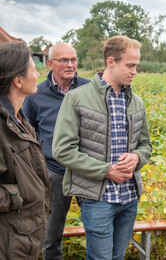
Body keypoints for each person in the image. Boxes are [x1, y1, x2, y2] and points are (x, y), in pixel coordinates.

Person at [52, 35, 152, 260]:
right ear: (111, 62)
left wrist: (137, 158)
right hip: (98, 199)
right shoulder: (77, 98)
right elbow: (62, 150)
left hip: (129, 197)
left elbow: (146, 145)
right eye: (130, 65)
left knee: (117, 257)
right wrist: (106, 170)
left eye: (137, 65)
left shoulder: (136, 101)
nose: (135, 70)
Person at [22, 42, 90, 260]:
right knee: (51, 237)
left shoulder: (89, 90)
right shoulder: (35, 95)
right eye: (64, 60)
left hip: (88, 171)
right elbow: (28, 134)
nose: (70, 65)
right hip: (54, 173)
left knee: (98, 229)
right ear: (50, 64)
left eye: (74, 60)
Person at [0, 42, 50, 259]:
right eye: (33, 69)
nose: (38, 73)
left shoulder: (20, 120)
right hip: (7, 239)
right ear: (18, 80)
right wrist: (17, 197)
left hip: (24, 236)